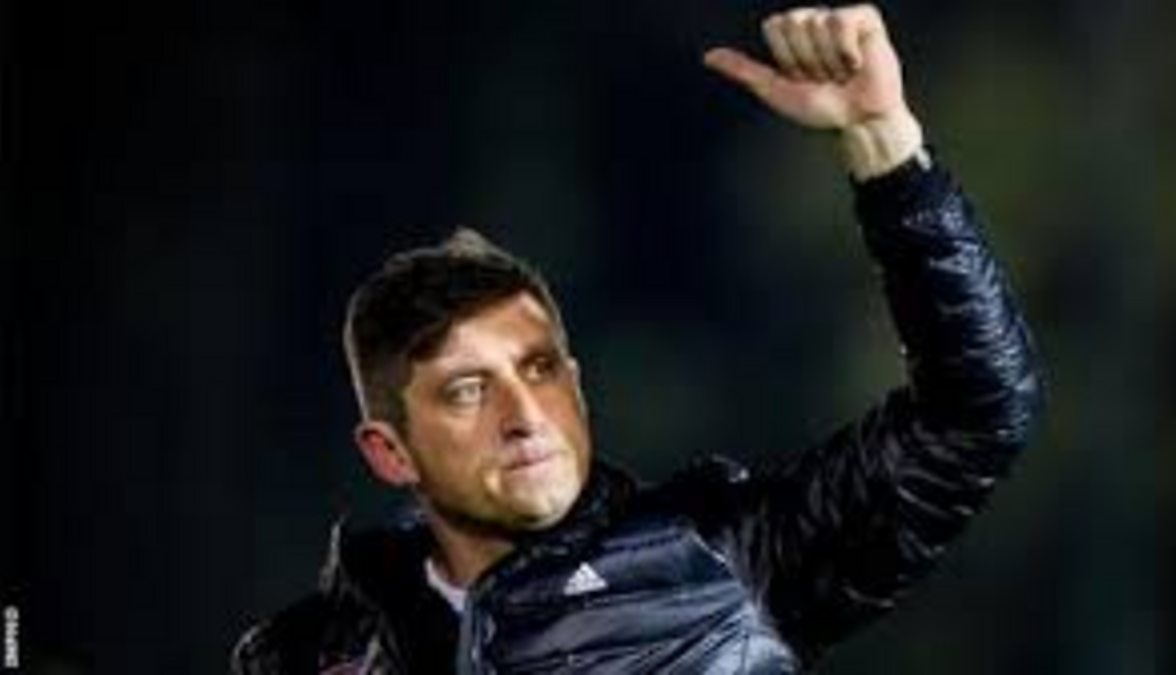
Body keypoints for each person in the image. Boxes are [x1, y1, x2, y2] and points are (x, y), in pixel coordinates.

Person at [232, 4, 1042, 673]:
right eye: (468, 390)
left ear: (577, 382)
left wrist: (885, 144)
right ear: (390, 453)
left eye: (539, 369)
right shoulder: (309, 654)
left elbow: (977, 413)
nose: (525, 416)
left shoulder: (720, 559)